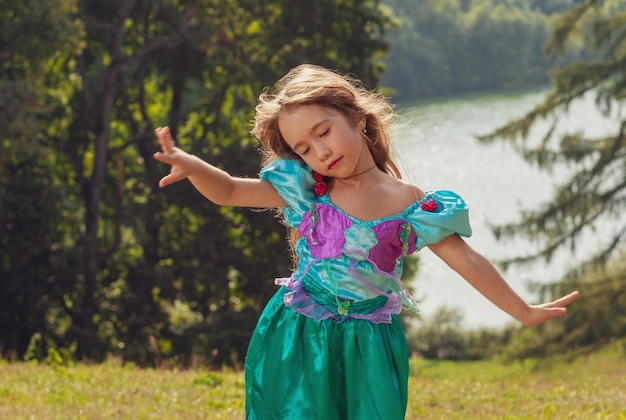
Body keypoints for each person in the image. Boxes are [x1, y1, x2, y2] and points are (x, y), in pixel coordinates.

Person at [153, 64, 579, 420]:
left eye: (324, 132)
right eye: (304, 148)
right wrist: (192, 167)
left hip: (370, 346)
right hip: (298, 334)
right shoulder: (306, 188)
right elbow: (230, 191)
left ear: (357, 117)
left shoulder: (413, 205)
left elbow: (466, 259)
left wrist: (522, 311)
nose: (319, 151)